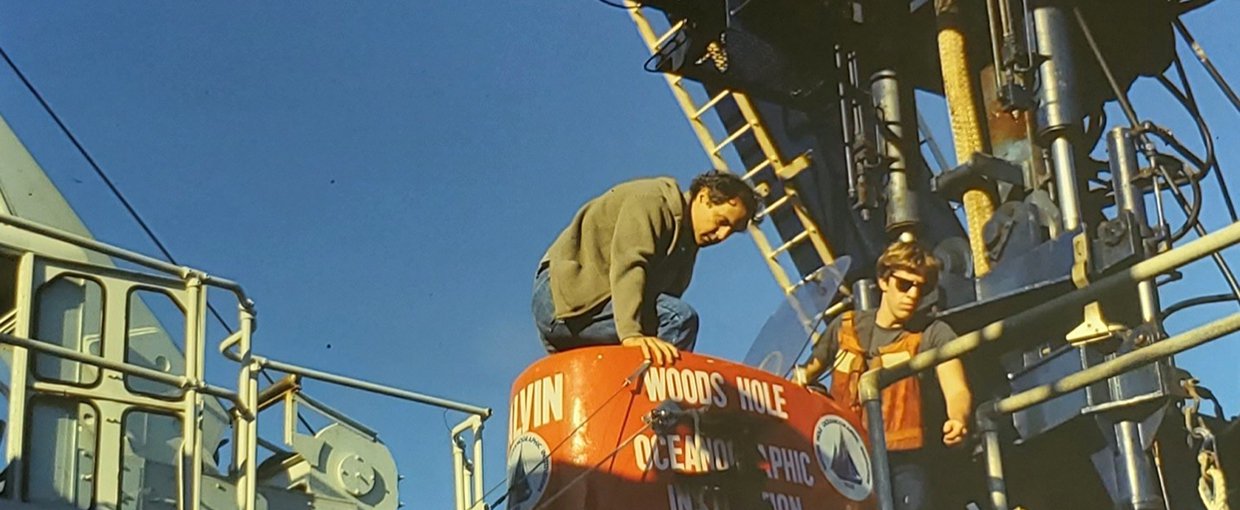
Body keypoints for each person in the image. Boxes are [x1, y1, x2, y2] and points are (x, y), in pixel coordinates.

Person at [796, 241, 972, 510]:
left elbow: (957, 388)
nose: (913, 295)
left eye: (922, 288)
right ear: (883, 280)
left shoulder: (933, 333)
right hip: (842, 458)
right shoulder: (844, 328)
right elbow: (805, 375)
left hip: (903, 463)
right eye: (905, 285)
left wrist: (957, 419)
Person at [532, 170, 758, 365]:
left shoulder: (685, 246)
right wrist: (632, 334)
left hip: (586, 311)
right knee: (679, 319)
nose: (722, 235)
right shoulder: (653, 201)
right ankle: (656, 408)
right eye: (722, 222)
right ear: (703, 196)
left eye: (732, 231)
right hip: (559, 299)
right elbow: (630, 264)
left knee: (668, 324)